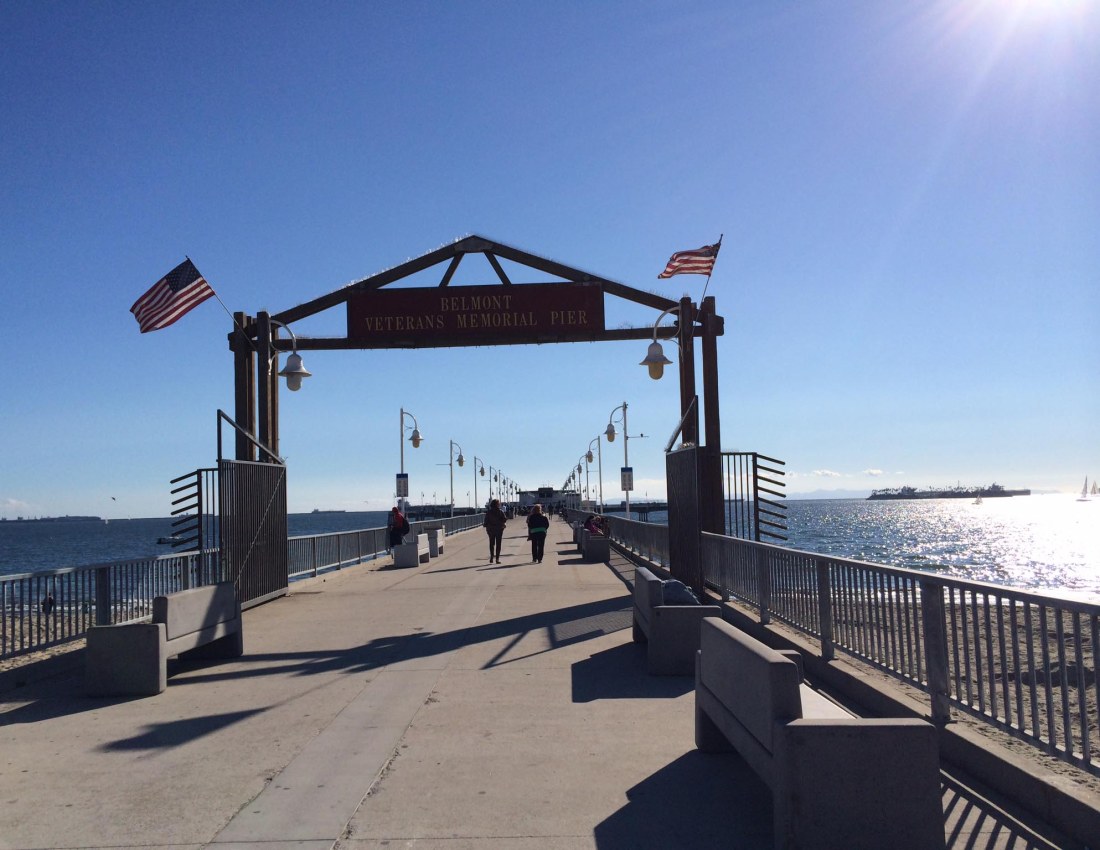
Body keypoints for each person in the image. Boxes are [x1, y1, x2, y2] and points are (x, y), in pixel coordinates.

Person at [483, 498, 507, 563]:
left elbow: (486, 521)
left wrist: (485, 525)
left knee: (491, 543)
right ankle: (497, 559)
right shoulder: (500, 511)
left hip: (490, 529)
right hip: (499, 529)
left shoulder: (489, 512)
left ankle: (491, 557)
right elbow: (504, 519)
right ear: (497, 504)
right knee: (498, 544)